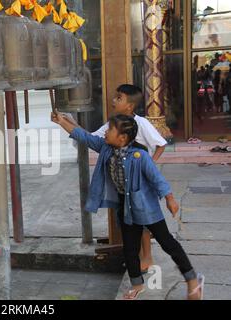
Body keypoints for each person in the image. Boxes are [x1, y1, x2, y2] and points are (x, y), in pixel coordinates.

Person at [51, 112, 205, 300]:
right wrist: (61, 122)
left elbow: (158, 180)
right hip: (125, 206)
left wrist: (170, 199)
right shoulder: (105, 148)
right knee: (130, 248)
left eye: (110, 130)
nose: (105, 132)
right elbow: (84, 136)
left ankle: (192, 280)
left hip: (146, 206)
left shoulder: (140, 156)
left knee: (167, 242)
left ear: (122, 138)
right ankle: (137, 285)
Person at [64, 84, 167, 273]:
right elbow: (91, 138)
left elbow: (161, 144)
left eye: (118, 98)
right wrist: (68, 123)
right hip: (123, 185)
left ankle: (147, 257)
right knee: (129, 221)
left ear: (130, 106)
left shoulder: (141, 123)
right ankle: (135, 257)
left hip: (139, 185)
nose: (113, 100)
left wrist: (148, 165)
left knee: (142, 221)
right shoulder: (113, 125)